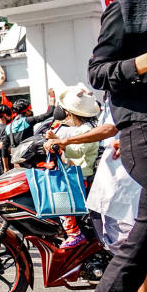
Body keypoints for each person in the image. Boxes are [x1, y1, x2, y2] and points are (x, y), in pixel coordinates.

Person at [72, 0, 147, 292]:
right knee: (141, 241)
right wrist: (142, 62)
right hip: (141, 127)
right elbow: (99, 72)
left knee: (142, 241)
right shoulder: (125, 6)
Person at [43, 86, 101, 249]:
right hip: (76, 173)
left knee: (60, 199)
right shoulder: (80, 128)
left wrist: (58, 142)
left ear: (71, 113)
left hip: (81, 175)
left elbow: (77, 152)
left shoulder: (87, 130)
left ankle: (75, 233)